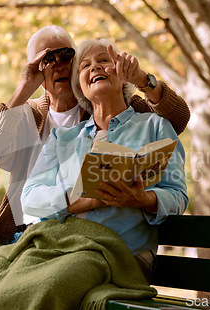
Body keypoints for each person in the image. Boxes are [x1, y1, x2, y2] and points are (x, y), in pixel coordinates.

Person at [0, 25, 190, 244]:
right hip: (26, 232)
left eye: (67, 55)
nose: (59, 64)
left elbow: (176, 119)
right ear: (36, 68)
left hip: (88, 239)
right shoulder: (29, 117)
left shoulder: (109, 103)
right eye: (48, 58)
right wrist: (24, 87)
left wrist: (142, 80)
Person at [21, 38, 189, 257]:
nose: (95, 67)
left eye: (104, 60)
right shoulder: (62, 138)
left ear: (123, 77)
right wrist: (77, 200)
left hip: (118, 254)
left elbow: (178, 195)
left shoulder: (155, 126)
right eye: (85, 65)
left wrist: (144, 200)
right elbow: (29, 197)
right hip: (60, 247)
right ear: (79, 86)